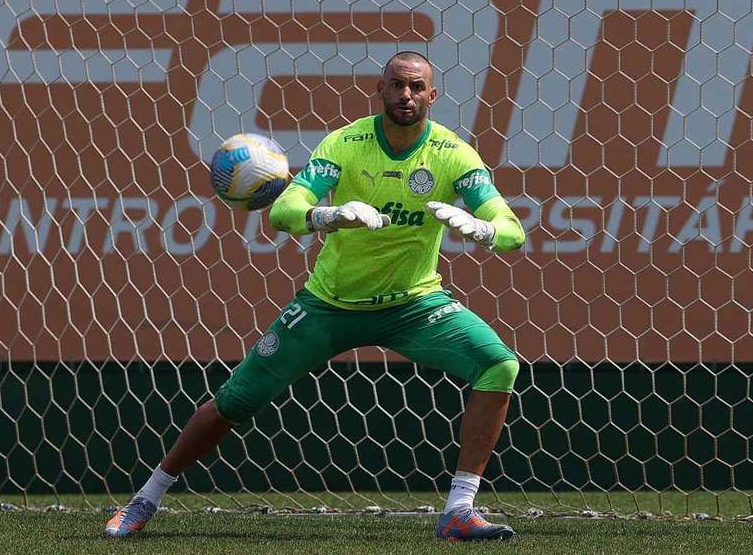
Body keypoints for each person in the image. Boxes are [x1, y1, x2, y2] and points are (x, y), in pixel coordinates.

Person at [104, 51, 525, 541]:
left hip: (414, 305)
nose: (405, 95)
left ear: (432, 95)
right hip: (328, 307)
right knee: (234, 402)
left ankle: (459, 510)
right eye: (396, 85)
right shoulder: (345, 144)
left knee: (500, 364)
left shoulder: (454, 154)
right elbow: (285, 208)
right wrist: (328, 215)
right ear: (380, 89)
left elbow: (511, 228)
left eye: (415, 87)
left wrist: (481, 228)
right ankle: (145, 498)